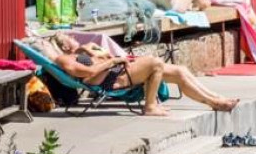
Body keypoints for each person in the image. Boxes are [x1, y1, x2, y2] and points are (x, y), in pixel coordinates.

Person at [47, 32, 238, 117]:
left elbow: (102, 56)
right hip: (113, 79)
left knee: (181, 71)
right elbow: (87, 73)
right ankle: (150, 106)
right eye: (70, 38)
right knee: (155, 63)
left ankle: (215, 100)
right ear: (63, 45)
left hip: (117, 70)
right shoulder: (64, 60)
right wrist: (112, 61)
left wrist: (91, 50)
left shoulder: (80, 52)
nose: (74, 38)